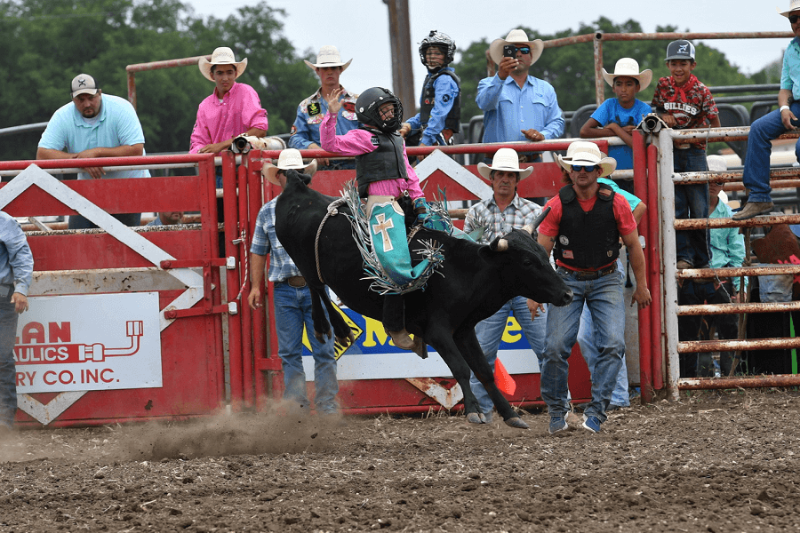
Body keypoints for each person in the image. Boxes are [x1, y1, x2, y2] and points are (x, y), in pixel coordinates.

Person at [537, 141, 651, 434]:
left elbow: (633, 246)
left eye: (588, 167)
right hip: (568, 277)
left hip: (606, 276)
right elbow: (540, 253)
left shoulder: (616, 203)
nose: (583, 172)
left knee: (613, 343)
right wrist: (535, 291)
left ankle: (597, 411)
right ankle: (557, 411)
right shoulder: (557, 205)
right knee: (554, 346)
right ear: (570, 171)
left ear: (598, 171)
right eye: (577, 167)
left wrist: (642, 285)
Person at [320, 86, 437, 357]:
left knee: (438, 240)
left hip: (404, 202)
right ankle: (395, 326)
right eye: (384, 110)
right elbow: (331, 145)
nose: (390, 113)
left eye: (391, 108)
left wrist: (420, 202)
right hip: (381, 206)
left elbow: (409, 173)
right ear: (372, 114)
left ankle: (426, 315)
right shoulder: (365, 137)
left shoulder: (397, 138)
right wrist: (331, 116)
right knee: (394, 262)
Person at [247, 149, 339, 416]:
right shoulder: (268, 212)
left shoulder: (319, 206)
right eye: (290, 174)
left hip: (315, 288)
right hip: (287, 289)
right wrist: (256, 286)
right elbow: (258, 250)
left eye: (297, 173)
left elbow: (332, 248)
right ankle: (302, 407)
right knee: (290, 352)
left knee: (322, 350)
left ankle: (325, 408)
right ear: (281, 177)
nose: (294, 178)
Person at [463, 148, 543, 423]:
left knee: (547, 348)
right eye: (501, 175)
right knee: (482, 350)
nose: (505, 180)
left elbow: (545, 255)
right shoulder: (478, 212)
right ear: (492, 178)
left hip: (524, 291)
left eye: (510, 175)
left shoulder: (534, 212)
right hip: (491, 292)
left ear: (517, 179)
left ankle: (560, 404)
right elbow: (469, 254)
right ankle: (481, 410)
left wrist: (538, 292)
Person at [36, 74, 150, 229]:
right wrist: (81, 160)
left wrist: (96, 154)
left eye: (91, 97)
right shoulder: (63, 116)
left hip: (128, 187)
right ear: (72, 99)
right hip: (88, 191)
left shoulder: (121, 108)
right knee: (78, 243)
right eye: (80, 99)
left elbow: (136, 149)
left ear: (100, 93)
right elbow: (42, 155)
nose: (87, 104)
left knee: (123, 248)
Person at [651, 40, 721, 271]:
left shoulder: (701, 91)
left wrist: (698, 136)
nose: (678, 68)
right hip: (670, 152)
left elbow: (715, 122)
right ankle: (684, 257)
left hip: (694, 152)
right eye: (673, 63)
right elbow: (656, 110)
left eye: (683, 63)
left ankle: (703, 259)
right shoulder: (663, 86)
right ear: (668, 65)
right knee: (677, 206)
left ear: (693, 65)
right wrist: (663, 116)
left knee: (699, 208)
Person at [679, 155, 746, 377]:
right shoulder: (686, 213)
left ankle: (729, 376)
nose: (714, 186)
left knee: (729, 327)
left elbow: (737, 253)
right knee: (687, 330)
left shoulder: (727, 215)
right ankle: (690, 378)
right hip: (693, 275)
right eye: (710, 180)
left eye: (719, 182)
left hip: (719, 277)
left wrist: (736, 286)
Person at [734, 2, 800, 220]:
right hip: (796, 105)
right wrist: (783, 107)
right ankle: (759, 196)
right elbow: (784, 89)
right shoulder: (791, 49)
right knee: (759, 128)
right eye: (793, 18)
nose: (797, 22)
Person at [476, 29, 564, 162]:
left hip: (534, 161)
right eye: (512, 50)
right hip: (497, 162)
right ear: (503, 57)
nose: (518, 54)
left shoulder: (546, 88)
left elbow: (557, 121)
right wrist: (501, 77)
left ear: (531, 57)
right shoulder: (487, 83)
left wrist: (543, 135)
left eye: (524, 50)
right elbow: (484, 103)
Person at [189, 46, 268, 186]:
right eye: (220, 73)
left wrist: (221, 146)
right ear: (213, 75)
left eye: (229, 72)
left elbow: (260, 129)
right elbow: (198, 142)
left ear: (235, 74)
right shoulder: (204, 105)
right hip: (216, 172)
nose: (225, 78)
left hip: (247, 169)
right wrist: (201, 152)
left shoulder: (246, 93)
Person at [288, 45, 359, 170]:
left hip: (355, 169)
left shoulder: (358, 102)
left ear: (340, 69)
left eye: (333, 67)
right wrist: (310, 147)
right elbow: (295, 137)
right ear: (317, 71)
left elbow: (371, 132)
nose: (329, 71)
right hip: (321, 172)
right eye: (324, 68)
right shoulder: (306, 106)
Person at [580, 57, 653, 176]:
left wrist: (614, 127)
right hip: (610, 171)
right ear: (614, 87)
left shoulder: (644, 109)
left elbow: (638, 145)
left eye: (629, 84)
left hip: (637, 171)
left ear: (637, 87)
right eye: (619, 84)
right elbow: (584, 131)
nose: (623, 89)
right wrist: (618, 131)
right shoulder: (609, 105)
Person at [399, 30, 461, 150]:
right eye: (429, 53)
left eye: (437, 53)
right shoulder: (432, 79)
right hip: (432, 138)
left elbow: (439, 114)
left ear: (447, 55)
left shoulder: (444, 80)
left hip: (438, 142)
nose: (432, 57)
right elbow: (427, 114)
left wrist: (426, 141)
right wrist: (410, 124)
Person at [0, 211, 33, 431]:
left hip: (3, 298)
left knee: (1, 358)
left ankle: (4, 423)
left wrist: (21, 288)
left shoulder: (4, 221)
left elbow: (21, 254)